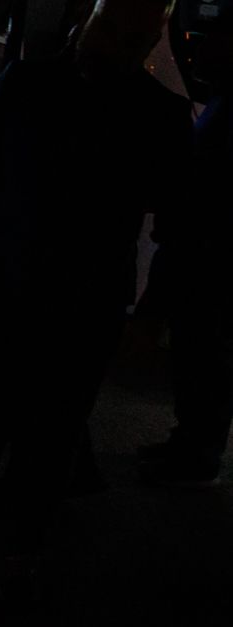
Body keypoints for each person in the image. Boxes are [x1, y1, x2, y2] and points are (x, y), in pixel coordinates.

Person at [0, 0, 192, 610]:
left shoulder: (32, 82)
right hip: (58, 300)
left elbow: (181, 224)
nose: (115, 45)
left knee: (25, 436)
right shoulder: (153, 113)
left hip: (39, 294)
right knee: (14, 435)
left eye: (128, 36)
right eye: (112, 29)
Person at [140, 3, 233, 487]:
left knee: (205, 355)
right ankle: (190, 441)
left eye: (209, 41)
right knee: (198, 353)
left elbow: (209, 184)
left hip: (210, 254)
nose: (195, 50)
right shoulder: (220, 103)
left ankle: (197, 453)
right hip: (205, 251)